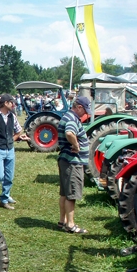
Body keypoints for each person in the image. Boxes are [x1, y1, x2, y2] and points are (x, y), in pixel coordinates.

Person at [57, 96, 90, 234]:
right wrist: (76, 145)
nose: (86, 114)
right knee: (72, 194)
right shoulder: (72, 119)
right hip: (72, 161)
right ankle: (70, 224)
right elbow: (70, 132)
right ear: (79, 107)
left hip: (66, 160)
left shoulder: (67, 116)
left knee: (65, 193)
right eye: (85, 110)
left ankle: (62, 221)